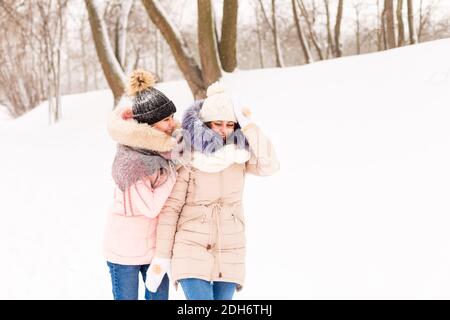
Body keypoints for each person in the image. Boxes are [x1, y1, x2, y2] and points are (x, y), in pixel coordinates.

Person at [145, 81, 280, 300]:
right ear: (206, 124)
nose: (225, 131)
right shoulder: (188, 155)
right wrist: (162, 257)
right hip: (190, 245)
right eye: (218, 123)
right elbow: (171, 210)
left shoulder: (240, 156)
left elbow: (270, 165)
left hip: (230, 247)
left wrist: (249, 125)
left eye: (230, 124)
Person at [103, 69, 181, 300]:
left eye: (172, 117)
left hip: (156, 250)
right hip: (124, 252)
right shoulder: (132, 162)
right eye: (165, 120)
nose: (172, 124)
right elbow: (150, 207)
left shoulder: (168, 152)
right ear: (149, 126)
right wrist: (173, 174)